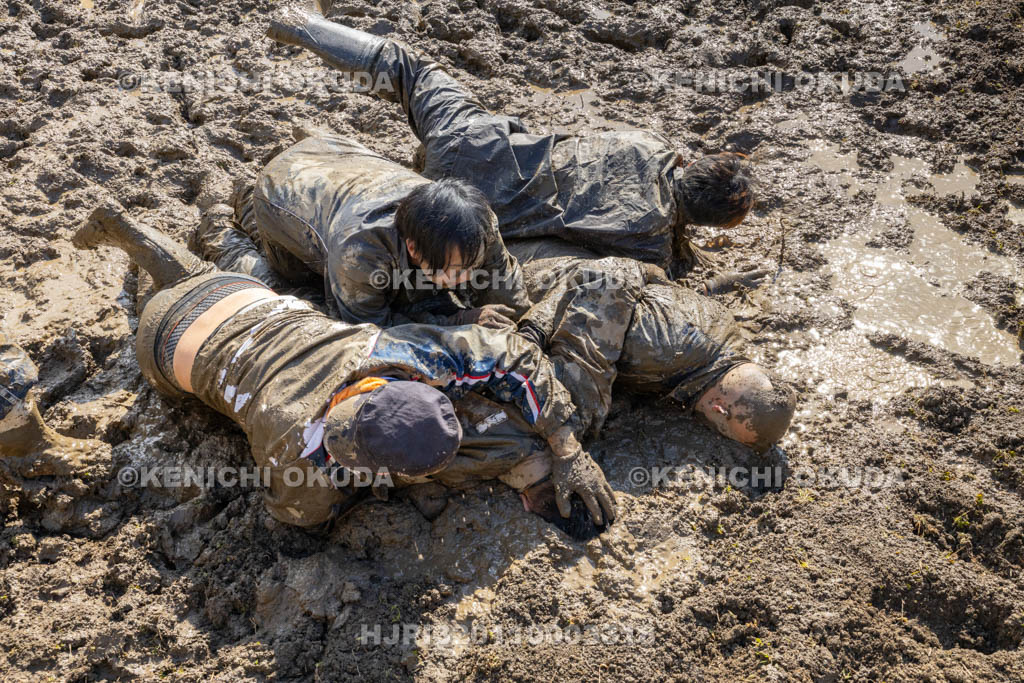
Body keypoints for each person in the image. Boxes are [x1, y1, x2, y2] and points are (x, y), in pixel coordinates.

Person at [71, 200, 616, 533]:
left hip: (244, 299)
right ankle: (136, 271)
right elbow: (296, 516)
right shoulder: (298, 453)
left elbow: (515, 358)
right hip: (169, 344)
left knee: (198, 279)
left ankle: (137, 237)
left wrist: (567, 449)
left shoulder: (399, 351)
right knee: (150, 309)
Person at [197, 209, 796, 457]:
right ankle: (229, 234)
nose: (710, 422)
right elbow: (608, 283)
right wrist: (578, 408)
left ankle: (243, 228)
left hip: (507, 272)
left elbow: (649, 284)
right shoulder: (679, 352)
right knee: (331, 323)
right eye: (722, 425)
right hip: (509, 282)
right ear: (720, 404)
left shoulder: (719, 342)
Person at [265, 5, 762, 285]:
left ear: (692, 162)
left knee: (408, 68)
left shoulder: (650, 146)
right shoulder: (651, 244)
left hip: (477, 138)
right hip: (469, 210)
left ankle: (301, 24)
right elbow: (660, 279)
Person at [206, 134, 532, 328]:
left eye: (471, 267)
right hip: (282, 195)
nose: (468, 278)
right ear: (414, 248)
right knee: (296, 299)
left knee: (418, 295)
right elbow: (368, 329)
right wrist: (456, 321)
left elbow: (502, 277)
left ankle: (243, 192)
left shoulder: (477, 223)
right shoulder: (359, 252)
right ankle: (220, 228)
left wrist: (520, 322)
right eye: (456, 272)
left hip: (333, 154)